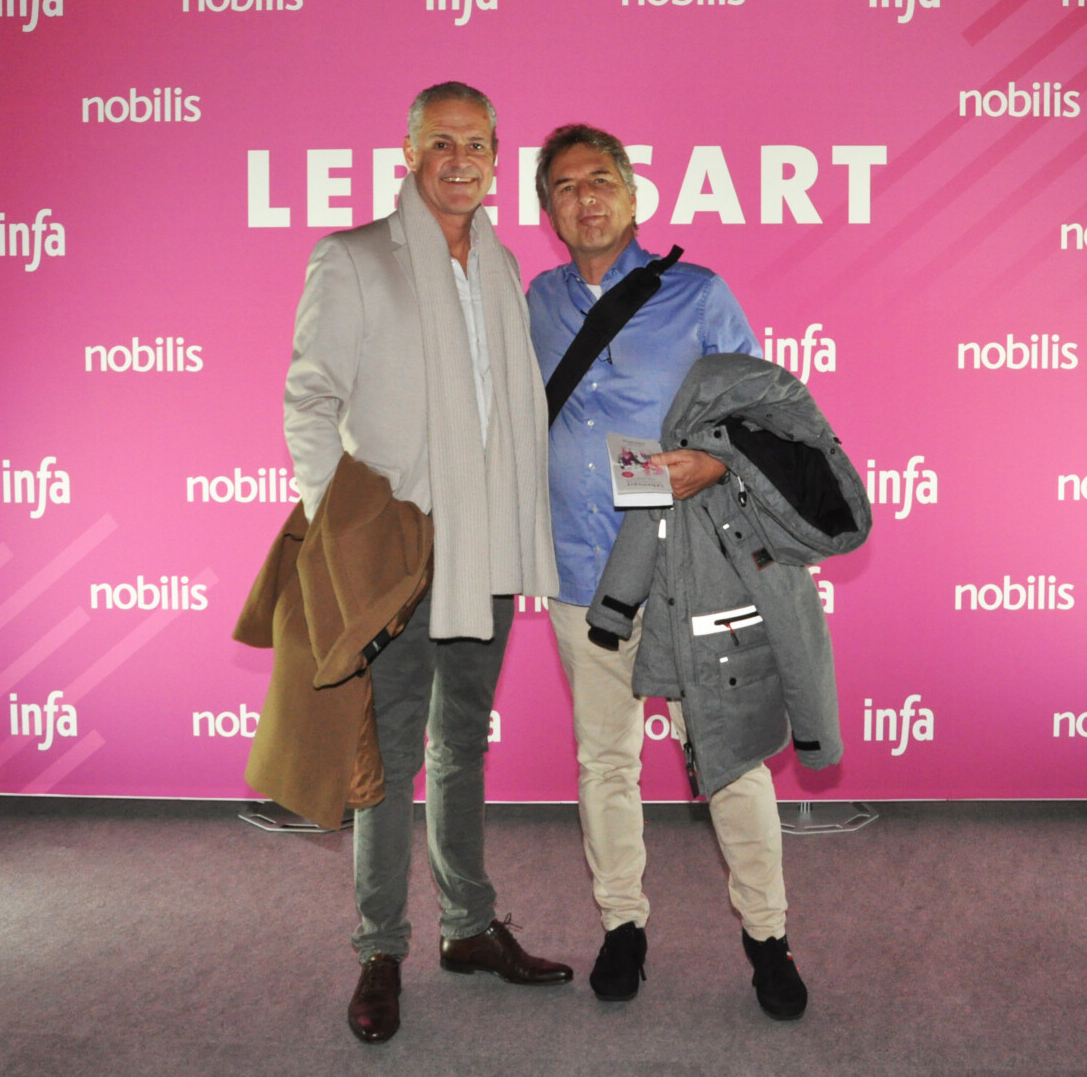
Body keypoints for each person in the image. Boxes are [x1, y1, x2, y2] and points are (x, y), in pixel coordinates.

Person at [284, 82, 572, 1045]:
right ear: (407, 151)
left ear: (496, 159)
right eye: (441, 142)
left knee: (461, 743)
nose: (459, 159)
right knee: (389, 754)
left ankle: (467, 925)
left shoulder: (500, 263)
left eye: (476, 144)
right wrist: (342, 526)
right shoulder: (355, 256)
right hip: (395, 550)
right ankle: (379, 948)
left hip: (484, 545)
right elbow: (309, 398)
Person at [526, 124, 808, 1019]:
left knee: (729, 756)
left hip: (692, 571)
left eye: (600, 180)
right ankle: (622, 925)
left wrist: (714, 462)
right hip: (580, 572)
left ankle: (768, 938)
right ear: (548, 211)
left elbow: (765, 416)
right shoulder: (535, 301)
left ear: (633, 193)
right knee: (604, 758)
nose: (586, 197)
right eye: (565, 186)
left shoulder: (699, 293)